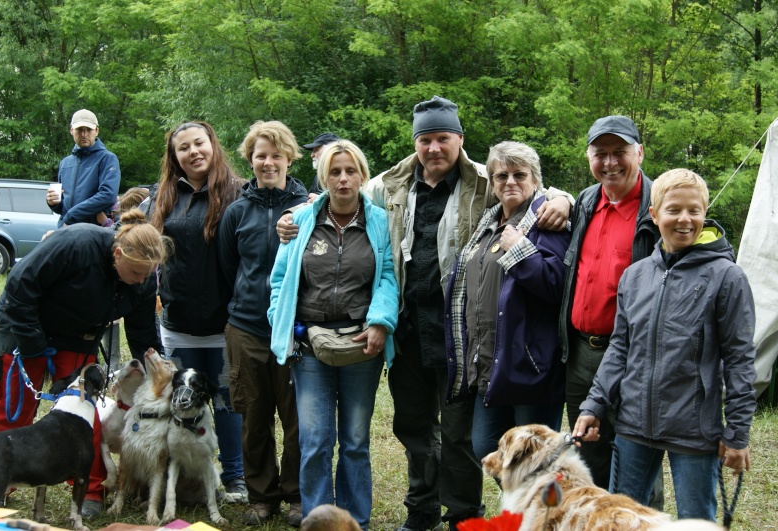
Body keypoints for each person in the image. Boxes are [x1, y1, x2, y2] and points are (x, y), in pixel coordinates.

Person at [277, 96, 571, 531]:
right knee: (413, 424)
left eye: (443, 139)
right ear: (416, 142)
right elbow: (341, 192)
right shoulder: (392, 183)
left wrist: (563, 200)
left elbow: (532, 187)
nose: (434, 148)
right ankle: (421, 509)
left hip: (461, 332)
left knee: (458, 431)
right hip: (408, 327)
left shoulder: (483, 180)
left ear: (459, 140)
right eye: (426, 140)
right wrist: (293, 213)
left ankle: (462, 514)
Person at [573, 169, 756, 521]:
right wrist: (594, 405)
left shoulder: (727, 277)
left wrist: (737, 433)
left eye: (694, 210)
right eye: (673, 210)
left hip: (694, 429)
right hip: (633, 425)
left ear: (705, 214)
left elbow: (739, 360)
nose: (684, 219)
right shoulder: (636, 275)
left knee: (695, 521)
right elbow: (620, 348)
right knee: (621, 519)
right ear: (654, 215)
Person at [0, 209, 166, 516]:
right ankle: (1, 480)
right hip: (24, 325)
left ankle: (89, 490)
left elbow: (142, 332)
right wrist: (34, 347)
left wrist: (154, 371)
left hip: (77, 336)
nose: (141, 281)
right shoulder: (73, 243)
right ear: (117, 254)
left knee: (86, 416)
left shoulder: (144, 279)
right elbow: (20, 288)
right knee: (13, 410)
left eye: (147, 274)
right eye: (136, 273)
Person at [268, 139, 398, 530]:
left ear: (362, 174)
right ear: (323, 177)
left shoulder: (379, 221)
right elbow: (280, 280)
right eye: (335, 172)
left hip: (363, 343)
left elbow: (388, 276)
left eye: (350, 171)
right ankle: (319, 522)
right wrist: (282, 321)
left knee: (356, 441)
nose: (343, 179)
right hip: (311, 348)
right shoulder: (301, 220)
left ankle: (355, 521)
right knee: (315, 442)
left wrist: (380, 322)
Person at [445, 141, 570, 463]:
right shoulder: (487, 225)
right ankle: (529, 509)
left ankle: (544, 512)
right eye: (501, 176)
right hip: (489, 361)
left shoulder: (549, 224)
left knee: (535, 458)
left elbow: (556, 286)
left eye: (519, 174)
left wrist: (519, 250)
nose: (510, 182)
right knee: (487, 446)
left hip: (531, 365)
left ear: (535, 180)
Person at [559, 115, 662, 498]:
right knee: (589, 455)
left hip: (635, 356)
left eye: (619, 152)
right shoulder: (585, 201)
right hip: (581, 354)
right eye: (600, 153)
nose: (610, 162)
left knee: (638, 463)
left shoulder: (658, 207)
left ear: (639, 152)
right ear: (588, 157)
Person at [145, 121, 247, 502]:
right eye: (183, 148)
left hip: (226, 323)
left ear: (212, 145)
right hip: (178, 322)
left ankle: (234, 476)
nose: (193, 152)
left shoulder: (239, 193)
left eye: (199, 143)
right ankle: (185, 477)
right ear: (174, 157)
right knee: (182, 402)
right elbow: (136, 238)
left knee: (227, 402)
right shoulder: (161, 196)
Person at [219, 121, 309, 526]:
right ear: (250, 160)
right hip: (246, 328)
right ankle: (261, 496)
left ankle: (296, 495)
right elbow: (227, 269)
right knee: (253, 416)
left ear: (290, 157)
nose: (268, 162)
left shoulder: (311, 206)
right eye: (260, 155)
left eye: (276, 155)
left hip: (294, 331)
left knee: (297, 419)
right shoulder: (236, 211)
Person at [47, 109, 120, 227]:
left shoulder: (107, 159)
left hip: (92, 232)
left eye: (89, 130)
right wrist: (53, 203)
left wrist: (71, 216)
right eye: (80, 130)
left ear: (96, 131)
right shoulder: (65, 163)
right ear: (71, 130)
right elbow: (63, 208)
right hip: (66, 230)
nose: (84, 134)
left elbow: (108, 196)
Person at [303, 132, 341, 199]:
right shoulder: (319, 177)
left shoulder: (346, 175)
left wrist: (321, 200)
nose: (312, 155)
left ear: (330, 150)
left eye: (316, 150)